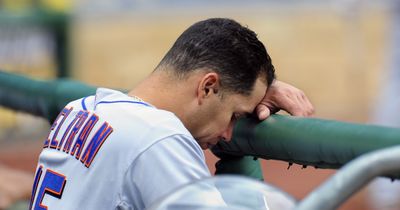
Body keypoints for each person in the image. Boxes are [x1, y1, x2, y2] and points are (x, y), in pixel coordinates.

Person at [29, 18, 314, 210]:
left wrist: (255, 85)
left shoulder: (79, 109)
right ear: (208, 87)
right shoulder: (157, 137)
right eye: (236, 116)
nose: (229, 133)